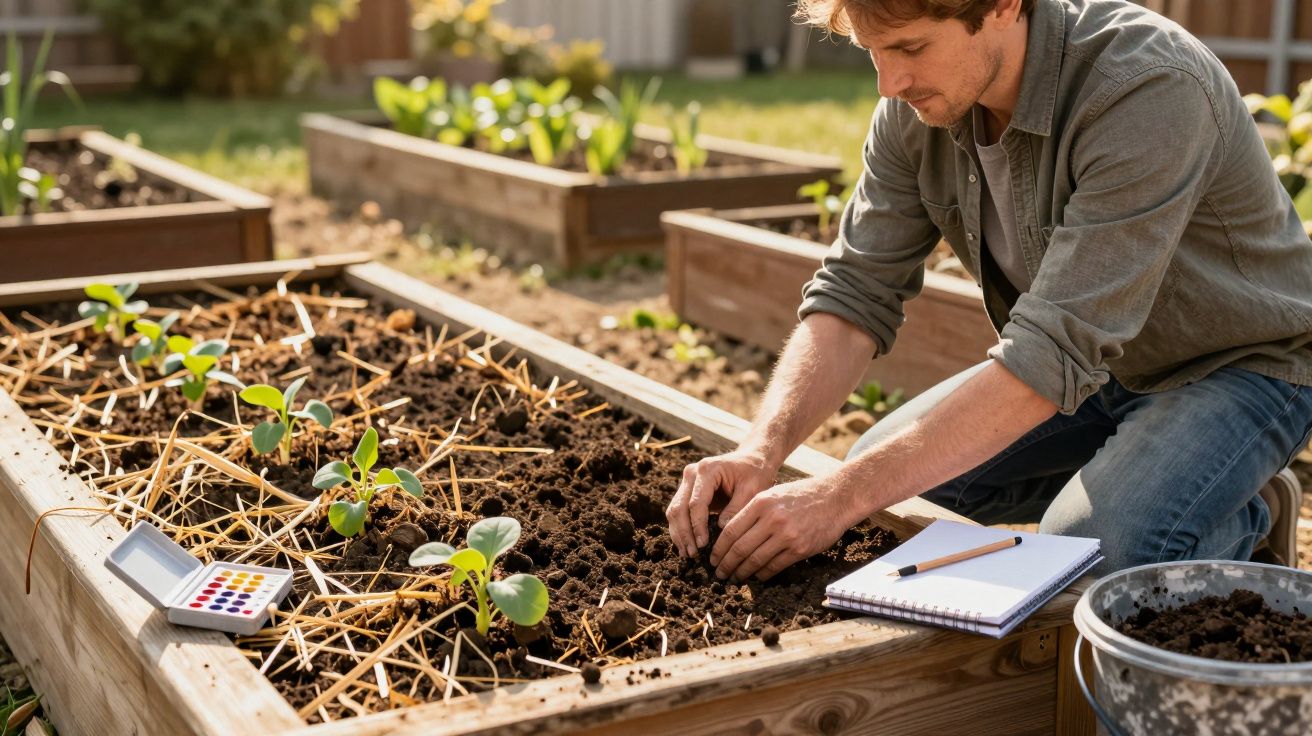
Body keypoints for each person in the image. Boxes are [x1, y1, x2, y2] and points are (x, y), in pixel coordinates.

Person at [666, 0, 1312, 582]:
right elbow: (854, 290)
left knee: (1090, 549)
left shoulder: (1147, 87)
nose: (890, 84)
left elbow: (1050, 350)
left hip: (1241, 367)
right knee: (885, 487)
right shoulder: (915, 111)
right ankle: (1171, 485)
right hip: (1097, 368)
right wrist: (763, 449)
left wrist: (838, 495)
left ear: (1004, 6)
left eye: (912, 49)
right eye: (874, 54)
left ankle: (1229, 525)